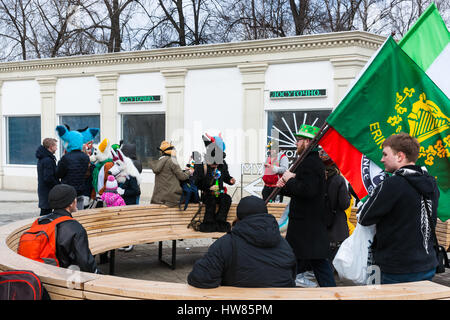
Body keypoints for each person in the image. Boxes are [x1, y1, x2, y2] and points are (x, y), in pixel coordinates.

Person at [359, 133, 439, 284]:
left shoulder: (392, 184)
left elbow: (364, 218)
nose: (381, 159)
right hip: (427, 264)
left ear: (400, 156)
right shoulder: (431, 183)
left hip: (396, 268)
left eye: (385, 154)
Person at [187, 196, 296, 288]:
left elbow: (199, 278)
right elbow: (292, 275)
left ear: (238, 217)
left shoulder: (226, 243)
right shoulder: (283, 244)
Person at [276, 124, 336, 287]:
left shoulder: (310, 162)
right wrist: (285, 186)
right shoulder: (308, 161)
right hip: (307, 227)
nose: (296, 143)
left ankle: (283, 289)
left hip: (306, 226)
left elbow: (307, 191)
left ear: (308, 142)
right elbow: (302, 190)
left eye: (299, 139)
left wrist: (290, 179)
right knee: (313, 262)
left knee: (301, 261)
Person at [23, 184, 100, 273]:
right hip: (62, 278)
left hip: (38, 274)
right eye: (75, 198)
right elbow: (85, 263)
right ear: (71, 203)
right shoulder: (74, 227)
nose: (76, 201)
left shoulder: (40, 221)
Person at [193, 134, 236, 232]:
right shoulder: (201, 166)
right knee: (211, 201)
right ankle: (208, 223)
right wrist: (208, 188)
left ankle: (220, 222)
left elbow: (225, 176)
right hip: (207, 194)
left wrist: (230, 180)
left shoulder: (222, 164)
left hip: (220, 193)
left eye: (217, 163)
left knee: (227, 199)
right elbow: (196, 182)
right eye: (213, 163)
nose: (215, 165)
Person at [319, 150, 350, 262]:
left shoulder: (318, 178)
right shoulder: (338, 179)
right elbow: (345, 204)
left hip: (320, 224)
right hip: (337, 226)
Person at [150, 141, 190, 207]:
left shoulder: (159, 161)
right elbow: (182, 177)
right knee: (189, 196)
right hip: (172, 198)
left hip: (158, 198)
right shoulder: (172, 161)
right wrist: (189, 172)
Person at [56, 139, 91, 211]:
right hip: (80, 189)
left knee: (67, 212)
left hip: (67, 190)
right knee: (79, 211)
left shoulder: (66, 158)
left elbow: (58, 174)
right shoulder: (85, 157)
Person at [36, 138, 60, 216]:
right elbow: (48, 178)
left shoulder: (44, 158)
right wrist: (57, 185)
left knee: (46, 212)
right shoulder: (47, 160)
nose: (56, 148)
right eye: (55, 146)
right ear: (50, 147)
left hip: (45, 190)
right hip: (47, 191)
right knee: (46, 213)